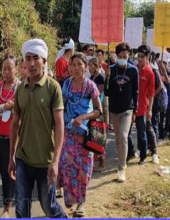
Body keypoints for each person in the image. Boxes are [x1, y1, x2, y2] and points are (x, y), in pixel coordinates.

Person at [8, 39, 67, 218]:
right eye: (28, 58)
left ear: (44, 60)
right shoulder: (21, 89)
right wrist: (11, 156)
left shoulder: (53, 88)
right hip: (23, 158)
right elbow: (15, 123)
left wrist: (56, 161)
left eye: (36, 58)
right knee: (21, 208)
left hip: (45, 161)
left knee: (48, 206)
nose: (32, 63)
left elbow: (59, 124)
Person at [59, 53, 101, 217]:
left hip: (84, 136)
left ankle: (81, 204)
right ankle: (70, 200)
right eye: (73, 65)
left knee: (83, 170)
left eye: (79, 65)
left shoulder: (91, 86)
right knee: (67, 168)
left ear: (86, 66)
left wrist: (83, 117)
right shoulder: (66, 85)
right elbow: (61, 106)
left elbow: (99, 111)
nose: (76, 68)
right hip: (68, 134)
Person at [0, 55, 20, 217]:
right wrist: (3, 107)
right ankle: (8, 203)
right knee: (3, 171)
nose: (6, 72)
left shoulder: (21, 88)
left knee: (15, 171)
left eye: (10, 68)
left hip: (19, 138)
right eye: (4, 68)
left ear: (16, 69)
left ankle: (8, 208)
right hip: (2, 138)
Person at [105, 43, 138, 182]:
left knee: (124, 136)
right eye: (120, 56)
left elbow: (136, 91)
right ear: (116, 56)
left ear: (129, 55)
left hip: (127, 109)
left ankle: (121, 167)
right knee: (118, 139)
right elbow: (106, 92)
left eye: (125, 56)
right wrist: (107, 78)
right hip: (114, 110)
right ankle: (121, 160)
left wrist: (135, 109)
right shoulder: (111, 70)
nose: (123, 58)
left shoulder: (133, 70)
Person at [134, 45, 158, 165]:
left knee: (143, 131)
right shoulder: (134, 69)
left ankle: (146, 155)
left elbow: (152, 93)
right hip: (133, 106)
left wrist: (150, 109)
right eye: (138, 56)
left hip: (143, 107)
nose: (139, 59)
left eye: (142, 57)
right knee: (142, 130)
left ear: (147, 57)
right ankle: (140, 150)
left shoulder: (150, 72)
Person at [88, 57, 106, 172]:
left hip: (98, 109)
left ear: (96, 65)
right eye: (88, 65)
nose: (89, 68)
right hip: (91, 108)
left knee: (99, 136)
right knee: (93, 136)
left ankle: (102, 163)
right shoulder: (91, 77)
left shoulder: (100, 78)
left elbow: (97, 93)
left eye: (91, 65)